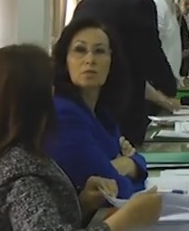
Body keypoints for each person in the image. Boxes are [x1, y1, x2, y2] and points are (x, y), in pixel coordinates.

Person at [0, 44, 162, 231]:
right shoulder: (19, 171)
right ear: (34, 99)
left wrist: (81, 204)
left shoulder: (3, 156)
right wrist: (123, 221)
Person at [71, 0, 179, 146]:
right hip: (124, 103)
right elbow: (151, 56)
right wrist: (170, 87)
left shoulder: (86, 2)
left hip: (87, 100)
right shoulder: (141, 4)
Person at [47, 18, 149, 199]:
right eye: (80, 50)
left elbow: (134, 163)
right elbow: (114, 191)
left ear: (111, 61)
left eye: (99, 51)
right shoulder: (62, 115)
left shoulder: (101, 113)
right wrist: (129, 165)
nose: (90, 60)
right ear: (65, 60)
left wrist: (130, 163)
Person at [147, 0, 186, 83]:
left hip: (169, 81)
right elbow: (151, 52)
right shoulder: (154, 3)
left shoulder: (170, 3)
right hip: (158, 85)